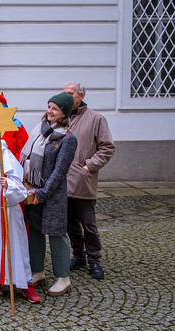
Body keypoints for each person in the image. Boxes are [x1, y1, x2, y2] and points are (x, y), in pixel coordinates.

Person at [20, 92, 78, 297]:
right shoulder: (40, 131)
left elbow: (59, 172)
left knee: (56, 234)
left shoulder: (68, 139)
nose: (50, 111)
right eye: (49, 107)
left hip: (52, 195)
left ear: (64, 112)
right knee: (34, 231)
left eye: (54, 108)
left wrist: (43, 193)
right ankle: (38, 272)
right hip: (33, 189)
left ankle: (63, 278)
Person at [0, 139, 40, 304]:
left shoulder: (9, 172)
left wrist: (9, 186)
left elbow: (20, 194)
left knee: (16, 249)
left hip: (11, 215)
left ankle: (26, 285)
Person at [63, 82, 115, 280]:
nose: (67, 96)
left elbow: (107, 147)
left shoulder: (96, 118)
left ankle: (94, 260)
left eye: (71, 93)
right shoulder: (62, 117)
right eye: (65, 93)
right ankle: (79, 255)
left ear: (81, 95)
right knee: (70, 223)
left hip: (83, 180)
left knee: (88, 223)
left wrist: (89, 166)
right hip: (63, 181)